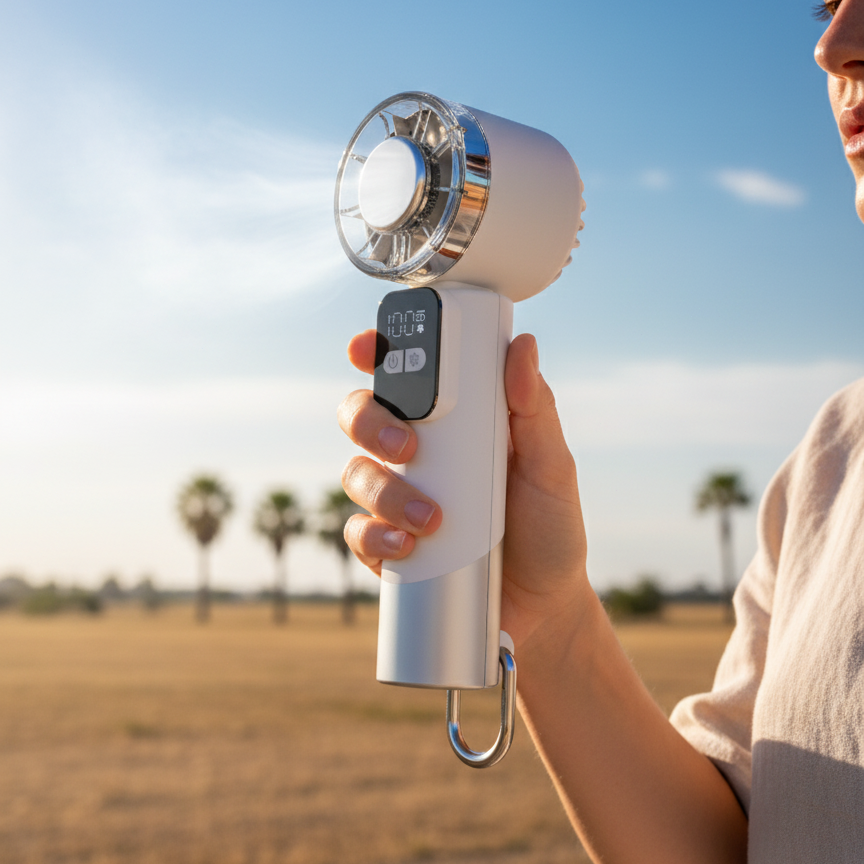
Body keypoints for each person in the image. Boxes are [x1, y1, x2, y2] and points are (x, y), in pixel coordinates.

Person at [337, 3, 864, 861]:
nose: (831, 47)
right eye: (829, 2)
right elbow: (728, 845)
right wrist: (545, 622)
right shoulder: (832, 460)